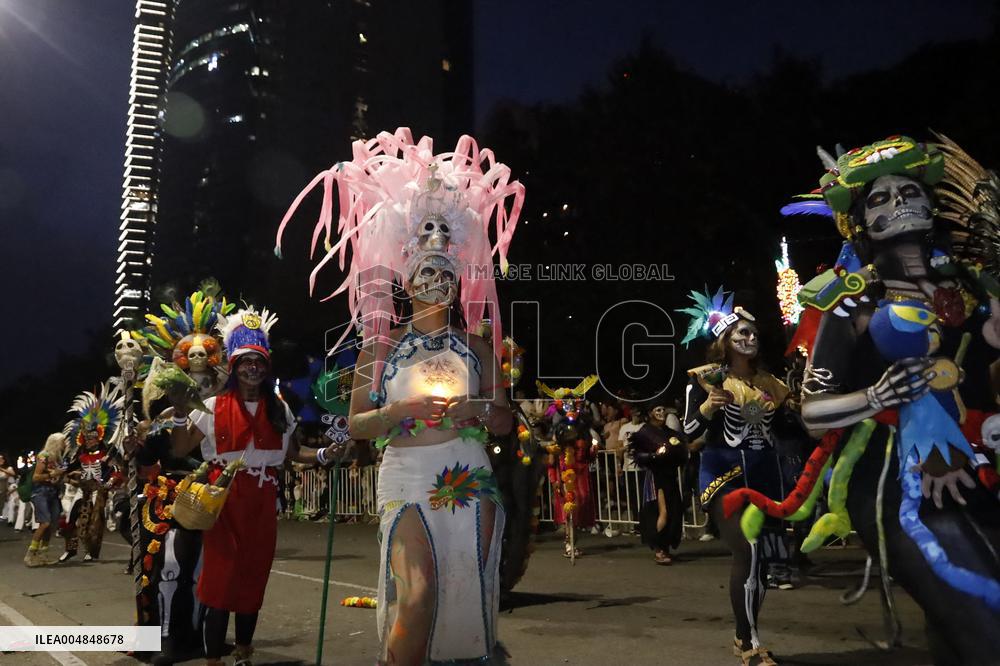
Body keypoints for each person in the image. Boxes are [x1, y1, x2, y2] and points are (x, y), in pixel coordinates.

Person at [277, 128, 523, 664]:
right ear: (407, 283)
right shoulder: (378, 351)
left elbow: (505, 422)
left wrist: (476, 409)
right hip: (407, 475)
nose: (435, 281)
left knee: (467, 595)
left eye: (444, 274)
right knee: (418, 594)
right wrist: (399, 410)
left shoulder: (479, 349)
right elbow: (358, 425)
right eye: (425, 273)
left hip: (468, 471)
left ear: (457, 282)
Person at [794, 136, 1000, 663]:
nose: (900, 200)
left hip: (978, 465)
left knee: (959, 632)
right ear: (859, 222)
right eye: (879, 198)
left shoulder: (969, 290)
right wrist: (875, 394)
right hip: (895, 478)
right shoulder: (850, 302)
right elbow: (812, 411)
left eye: (909, 190)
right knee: (983, 615)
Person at [169, 306, 343, 666]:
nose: (253, 368)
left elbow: (296, 453)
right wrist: (180, 410)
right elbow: (179, 448)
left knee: (252, 577)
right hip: (222, 501)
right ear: (233, 366)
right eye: (246, 361)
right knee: (219, 582)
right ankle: (214, 659)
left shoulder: (278, 408)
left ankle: (244, 653)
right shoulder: (212, 405)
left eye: (259, 362)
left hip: (262, 502)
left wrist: (327, 453)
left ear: (266, 368)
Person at [680, 287, 789, 666]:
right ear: (724, 341)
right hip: (722, 474)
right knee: (749, 547)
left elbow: (793, 429)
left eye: (754, 333)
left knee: (761, 560)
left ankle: (744, 635)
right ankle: (751, 644)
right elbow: (688, 432)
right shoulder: (706, 380)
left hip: (764, 477)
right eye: (741, 333)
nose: (750, 338)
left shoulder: (771, 384)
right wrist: (709, 406)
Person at [60, 381, 126, 563]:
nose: (91, 441)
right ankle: (71, 549)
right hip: (82, 490)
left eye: (93, 438)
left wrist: (109, 483)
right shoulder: (78, 456)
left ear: (99, 438)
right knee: (70, 520)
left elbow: (117, 472)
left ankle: (92, 551)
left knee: (94, 523)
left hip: (98, 490)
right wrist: (68, 477)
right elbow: (66, 470)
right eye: (88, 439)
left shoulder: (106, 455)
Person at [629, 404, 687, 565]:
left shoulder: (671, 433)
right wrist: (654, 456)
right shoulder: (645, 432)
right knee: (662, 511)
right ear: (650, 413)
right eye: (658, 410)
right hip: (656, 477)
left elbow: (681, 453)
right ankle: (659, 548)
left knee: (675, 510)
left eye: (663, 409)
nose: (662, 413)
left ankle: (666, 545)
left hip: (670, 476)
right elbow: (638, 456)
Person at [24, 434, 67, 566]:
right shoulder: (44, 456)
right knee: (45, 523)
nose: (66, 444)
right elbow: (36, 477)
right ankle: (31, 553)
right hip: (40, 492)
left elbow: (59, 477)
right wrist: (54, 474)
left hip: (53, 493)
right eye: (63, 442)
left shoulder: (59, 459)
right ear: (56, 443)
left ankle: (43, 553)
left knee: (52, 524)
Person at [0, 453, 14, 522]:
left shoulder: (9, 468)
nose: (0, 460)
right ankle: (4, 515)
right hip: (1, 486)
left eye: (2, 458)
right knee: (4, 501)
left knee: (8, 502)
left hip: (8, 486)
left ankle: (8, 517)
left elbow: (12, 474)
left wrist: (2, 469)